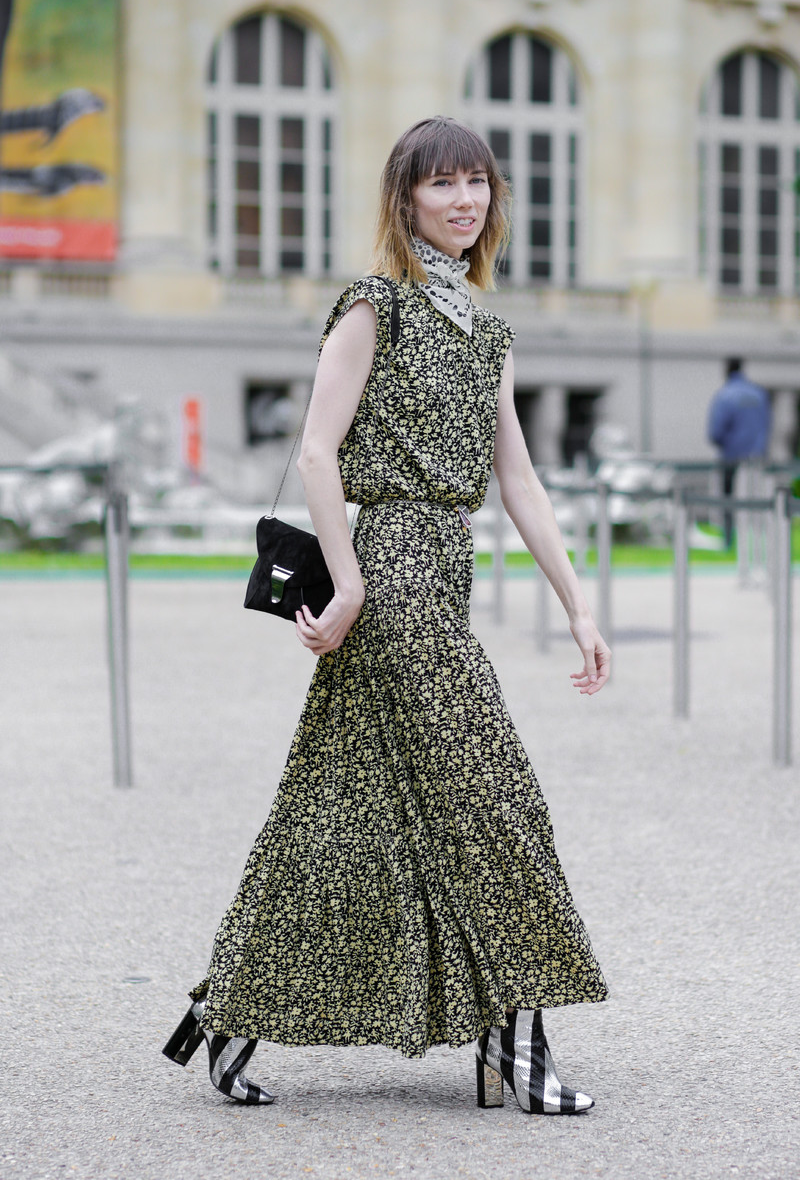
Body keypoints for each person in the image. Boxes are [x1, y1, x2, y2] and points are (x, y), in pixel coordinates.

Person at [162, 116, 611, 1115]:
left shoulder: (487, 333)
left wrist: (578, 607)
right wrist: (350, 581)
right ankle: (516, 1047)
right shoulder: (376, 305)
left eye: (477, 183)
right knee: (496, 804)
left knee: (341, 813)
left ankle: (223, 1018)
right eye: (441, 183)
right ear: (404, 198)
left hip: (442, 572)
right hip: (391, 572)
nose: (463, 200)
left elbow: (520, 482)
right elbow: (317, 451)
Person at [708, 358, 772, 548]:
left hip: (731, 457)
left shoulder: (725, 395)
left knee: (729, 501)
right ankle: (758, 542)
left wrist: (726, 444)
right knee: (757, 501)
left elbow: (715, 432)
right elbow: (767, 424)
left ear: (727, 370)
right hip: (757, 458)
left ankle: (728, 539)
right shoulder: (759, 394)